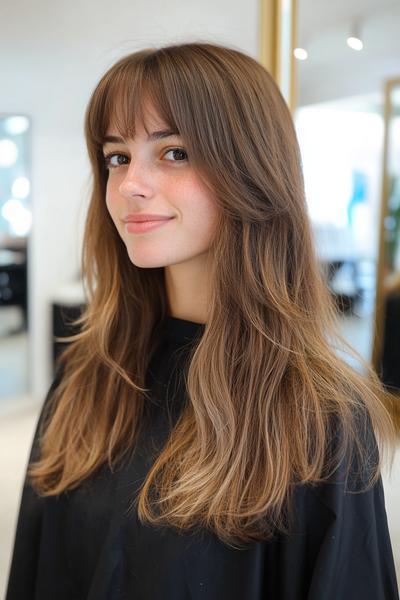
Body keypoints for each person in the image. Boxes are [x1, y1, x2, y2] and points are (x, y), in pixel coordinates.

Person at [6, 41, 399, 600]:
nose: (129, 186)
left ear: (252, 171)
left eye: (174, 153)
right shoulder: (89, 375)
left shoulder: (320, 418)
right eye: (118, 156)